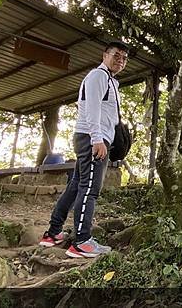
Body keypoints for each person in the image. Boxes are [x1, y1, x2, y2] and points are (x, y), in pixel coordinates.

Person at [39, 41, 129, 258]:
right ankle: (81, 242)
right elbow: (91, 108)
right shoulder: (98, 76)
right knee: (90, 189)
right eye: (116, 55)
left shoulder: (109, 80)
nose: (121, 61)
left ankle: (53, 234)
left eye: (124, 58)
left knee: (75, 187)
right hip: (91, 139)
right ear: (105, 55)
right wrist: (97, 139)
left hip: (92, 138)